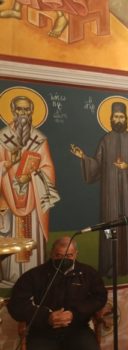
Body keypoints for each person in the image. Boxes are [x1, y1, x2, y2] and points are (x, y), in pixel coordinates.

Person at [7, 237, 107, 350]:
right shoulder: (34, 275)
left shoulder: (88, 273)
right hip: (43, 332)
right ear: (51, 254)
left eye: (69, 256)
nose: (64, 259)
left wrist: (75, 313)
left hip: (77, 329)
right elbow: (16, 305)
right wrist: (46, 317)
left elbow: (99, 297)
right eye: (59, 256)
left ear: (76, 254)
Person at [71, 101, 128, 277]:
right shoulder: (105, 141)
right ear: (111, 118)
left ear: (126, 119)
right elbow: (97, 165)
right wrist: (84, 158)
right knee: (109, 227)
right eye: (116, 116)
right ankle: (110, 265)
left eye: (121, 117)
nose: (119, 120)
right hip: (110, 195)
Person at [0, 95, 60, 285]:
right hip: (8, 199)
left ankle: (34, 279)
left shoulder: (39, 139)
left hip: (33, 202)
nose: (23, 113)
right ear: (13, 111)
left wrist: (32, 176)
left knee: (32, 240)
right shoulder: (2, 138)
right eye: (19, 109)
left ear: (32, 111)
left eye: (26, 109)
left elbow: (48, 169)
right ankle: (11, 279)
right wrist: (8, 164)